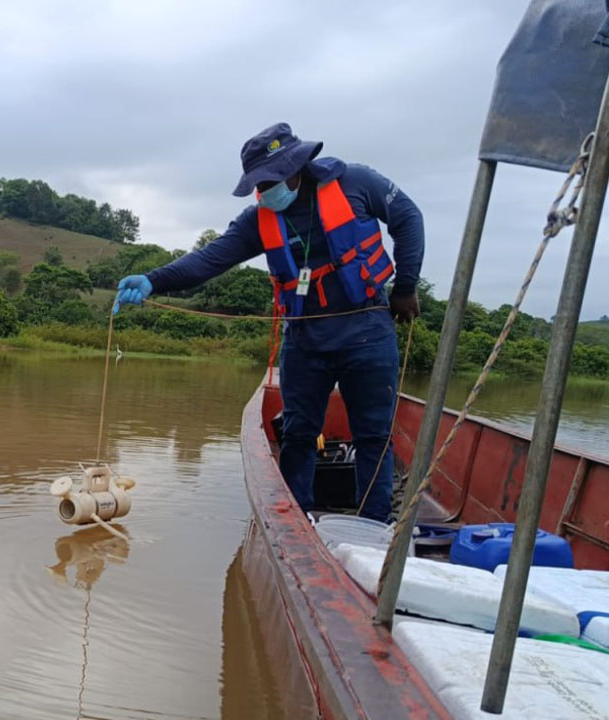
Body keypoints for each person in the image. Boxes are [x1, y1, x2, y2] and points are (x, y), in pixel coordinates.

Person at [113, 123, 423, 521]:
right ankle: (294, 522)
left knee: (373, 437)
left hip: (366, 332)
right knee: (296, 435)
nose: (265, 190)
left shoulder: (356, 183)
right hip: (305, 339)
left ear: (296, 166)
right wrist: (154, 279)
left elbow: (409, 219)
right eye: (259, 183)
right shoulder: (258, 219)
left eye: (271, 180)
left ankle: (374, 528)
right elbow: (209, 259)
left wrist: (406, 286)